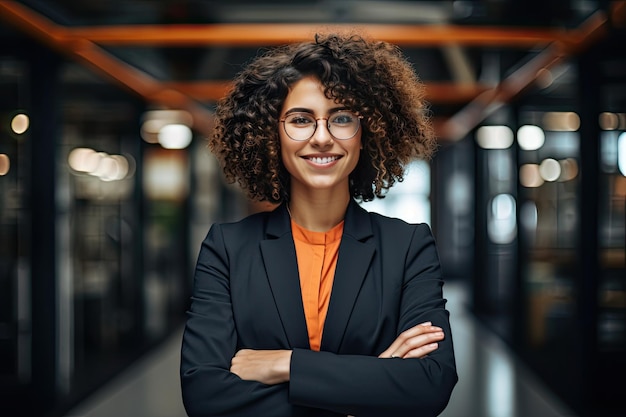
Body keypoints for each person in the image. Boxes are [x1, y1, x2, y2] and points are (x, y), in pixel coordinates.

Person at [180, 32, 457, 417]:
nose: (322, 138)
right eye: (300, 120)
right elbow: (205, 395)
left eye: (342, 118)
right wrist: (371, 385)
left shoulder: (408, 246)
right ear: (272, 135)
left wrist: (286, 365)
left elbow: (430, 383)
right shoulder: (227, 248)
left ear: (368, 133)